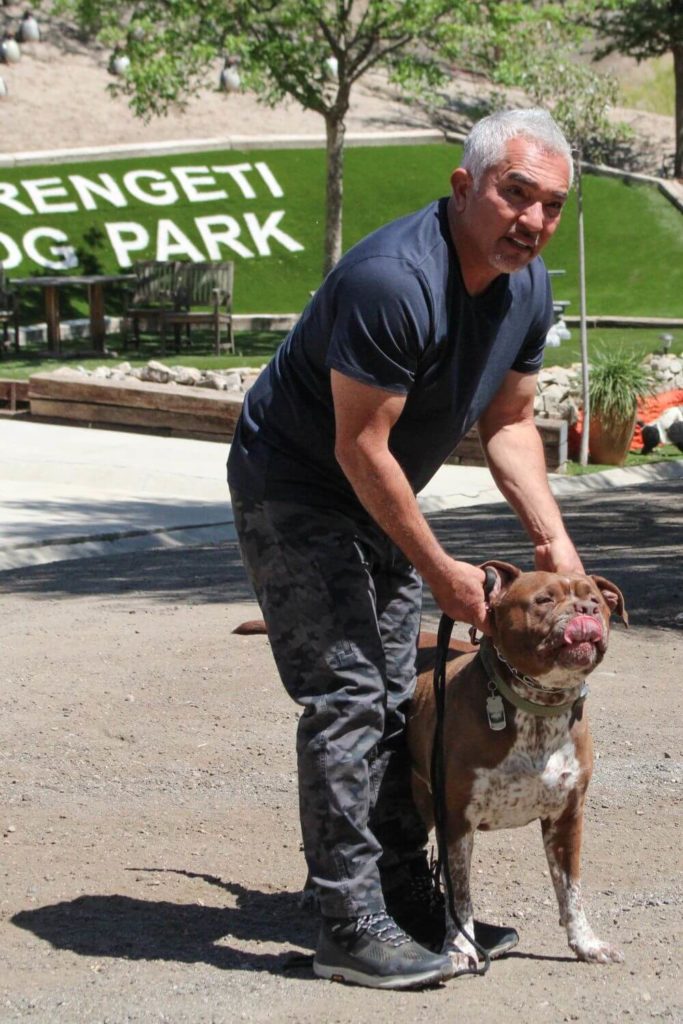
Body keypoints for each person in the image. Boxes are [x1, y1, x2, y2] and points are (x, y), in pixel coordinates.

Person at [227, 107, 583, 990]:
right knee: (347, 696)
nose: (531, 222)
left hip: (377, 491)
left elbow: (507, 422)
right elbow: (358, 448)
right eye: (514, 195)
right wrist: (438, 571)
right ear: (464, 186)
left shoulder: (524, 287)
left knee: (396, 696)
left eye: (550, 207)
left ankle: (402, 898)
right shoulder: (395, 279)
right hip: (297, 485)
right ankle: (347, 919)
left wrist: (555, 543)